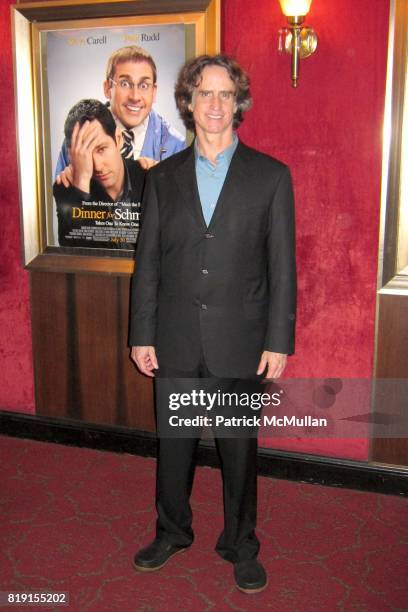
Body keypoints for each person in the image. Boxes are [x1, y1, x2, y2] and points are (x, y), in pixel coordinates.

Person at [129, 54, 296, 593]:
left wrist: (279, 340)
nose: (216, 104)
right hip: (175, 336)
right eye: (205, 93)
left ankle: (240, 544)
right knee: (173, 446)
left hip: (240, 340)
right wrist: (142, 332)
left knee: (238, 451)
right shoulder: (165, 178)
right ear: (189, 103)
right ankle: (172, 531)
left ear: (238, 103)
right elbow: (148, 261)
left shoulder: (271, 177)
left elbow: (282, 269)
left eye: (226, 94)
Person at [55, 46, 185, 177]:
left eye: (144, 86)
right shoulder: (78, 136)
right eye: (125, 84)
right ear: (107, 88)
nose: (135, 97)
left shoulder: (175, 145)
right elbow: (60, 195)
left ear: (154, 92)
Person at [53, 99, 145, 249]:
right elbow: (76, 257)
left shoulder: (149, 178)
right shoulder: (66, 189)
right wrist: (81, 185)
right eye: (86, 154)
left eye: (101, 149)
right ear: (72, 155)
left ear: (118, 139)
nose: (97, 166)